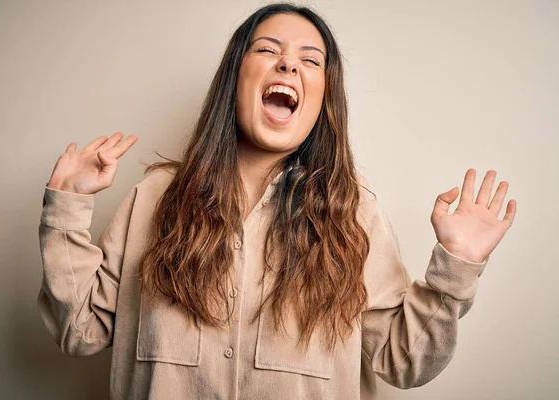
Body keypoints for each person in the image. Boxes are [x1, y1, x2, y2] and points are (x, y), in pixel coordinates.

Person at [37, 3, 517, 399]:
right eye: (267, 50)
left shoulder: (355, 213)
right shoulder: (153, 199)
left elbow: (404, 362)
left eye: (310, 60)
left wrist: (456, 269)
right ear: (235, 77)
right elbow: (79, 331)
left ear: (323, 97)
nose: (288, 64)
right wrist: (66, 209)